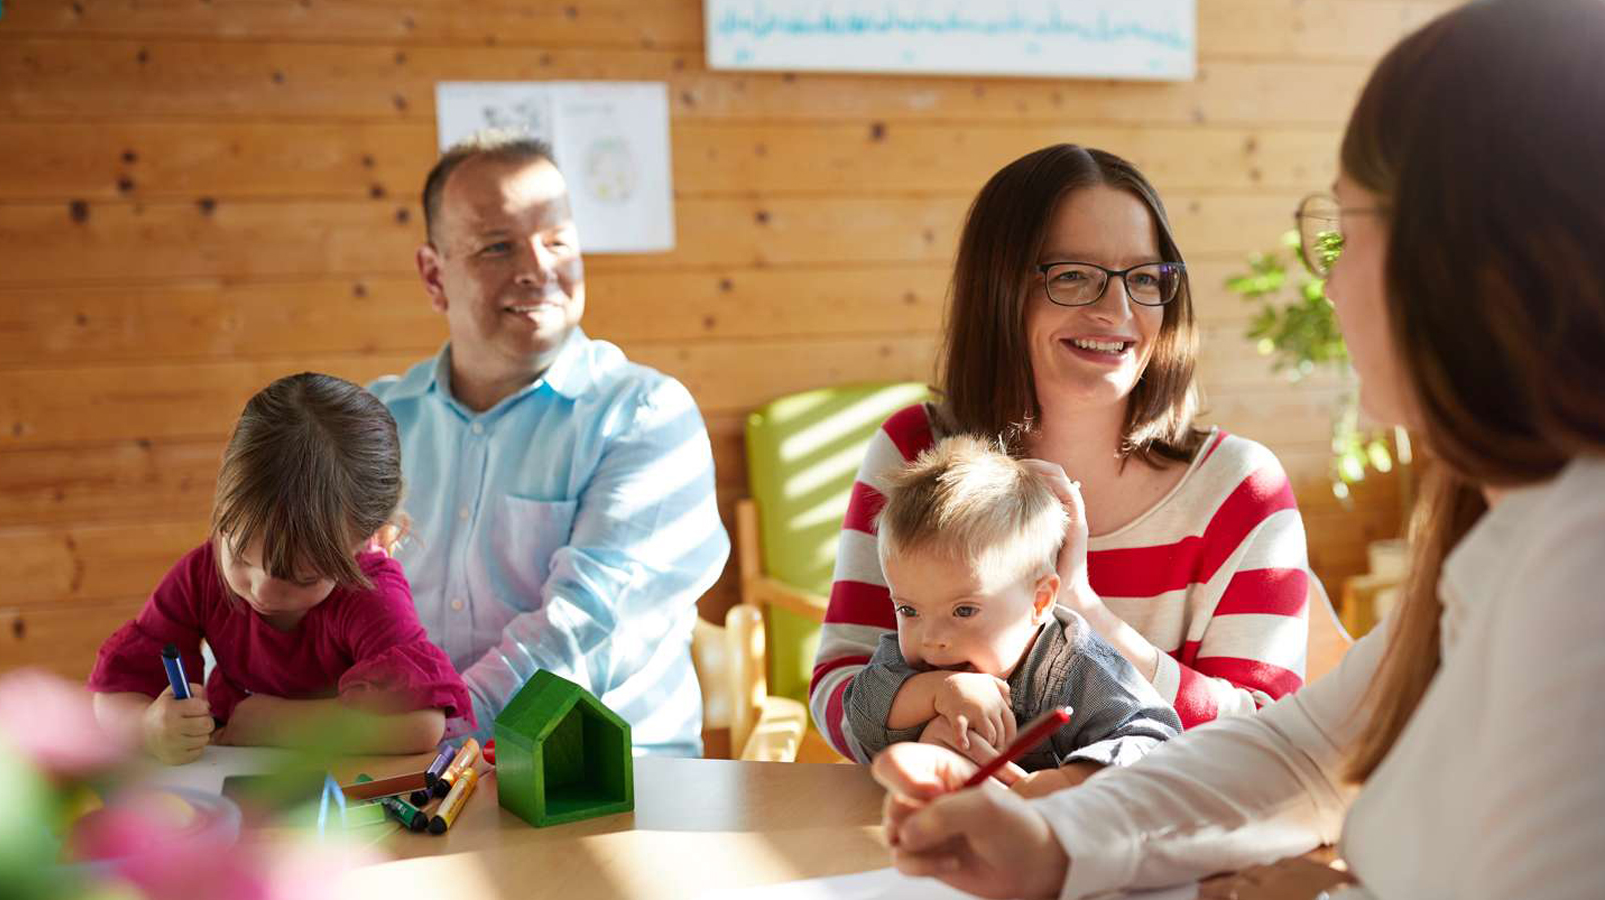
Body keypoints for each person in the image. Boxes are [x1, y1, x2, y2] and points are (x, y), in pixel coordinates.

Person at [870, 2, 1605, 897]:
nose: (1326, 279)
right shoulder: (1506, 530)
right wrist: (1048, 839)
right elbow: (1299, 752)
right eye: (1071, 278)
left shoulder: (1582, 565)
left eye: (1344, 229)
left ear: (1458, 255)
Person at [813, 144, 1310, 761]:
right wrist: (940, 698)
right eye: (1073, 275)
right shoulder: (916, 449)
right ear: (998, 289)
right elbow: (836, 686)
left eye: (1145, 278)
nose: (1118, 311)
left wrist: (1081, 606)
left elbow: (1273, 738)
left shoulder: (1240, 489)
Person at [368, 133, 729, 756]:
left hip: (605, 785)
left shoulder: (645, 416)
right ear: (434, 276)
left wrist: (433, 728)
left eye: (558, 240)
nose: (538, 269)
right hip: (406, 774)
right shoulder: (372, 425)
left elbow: (584, 632)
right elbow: (298, 591)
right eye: (498, 246)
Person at [89, 373, 472, 764]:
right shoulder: (201, 574)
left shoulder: (368, 593)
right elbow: (113, 696)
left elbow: (422, 724)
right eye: (239, 555)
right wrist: (149, 728)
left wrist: (275, 723)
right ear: (224, 512)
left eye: (301, 578)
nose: (262, 590)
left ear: (370, 540)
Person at [844, 434, 1180, 795]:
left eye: (964, 610)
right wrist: (936, 692)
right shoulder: (914, 664)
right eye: (908, 609)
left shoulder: (1072, 666)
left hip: (1056, 838)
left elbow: (1156, 736)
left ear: (1039, 602)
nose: (931, 637)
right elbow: (860, 709)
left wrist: (1068, 780)